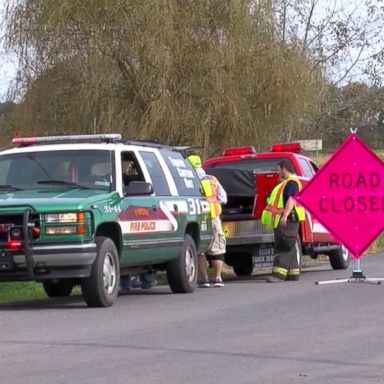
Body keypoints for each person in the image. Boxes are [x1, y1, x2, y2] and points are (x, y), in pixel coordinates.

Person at [261, 159, 305, 282]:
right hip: (289, 218)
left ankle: (278, 275)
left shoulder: (291, 183)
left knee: (284, 244)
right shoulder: (288, 183)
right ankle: (293, 273)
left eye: (278, 169)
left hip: (288, 218)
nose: (277, 172)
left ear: (284, 168)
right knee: (289, 244)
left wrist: (285, 216)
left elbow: (291, 199)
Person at [187, 154, 227, 288]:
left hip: (197, 218)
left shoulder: (189, 179)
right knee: (217, 248)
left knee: (200, 249)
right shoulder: (212, 179)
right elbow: (223, 198)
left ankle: (204, 279)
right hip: (214, 217)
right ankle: (217, 278)